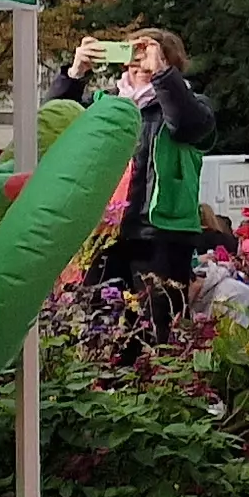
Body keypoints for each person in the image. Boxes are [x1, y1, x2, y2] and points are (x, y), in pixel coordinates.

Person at [52, 29, 215, 315]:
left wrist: (162, 76)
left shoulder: (192, 103)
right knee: (97, 324)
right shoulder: (105, 104)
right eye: (133, 56)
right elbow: (52, 125)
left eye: (149, 56)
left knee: (156, 325)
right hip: (105, 231)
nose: (140, 64)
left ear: (171, 63)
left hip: (162, 233)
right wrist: (75, 74)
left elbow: (189, 126)